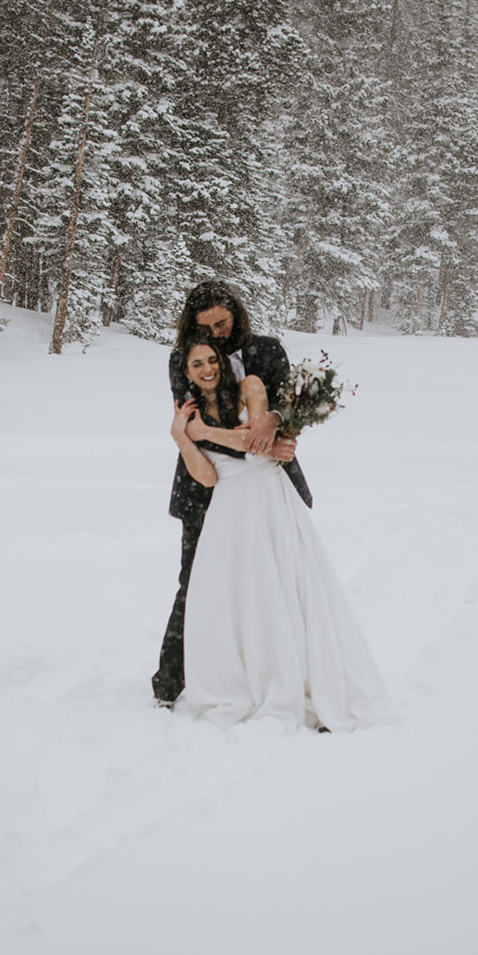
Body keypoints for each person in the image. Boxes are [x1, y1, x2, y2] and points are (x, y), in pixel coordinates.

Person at [169, 332, 384, 732]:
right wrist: (182, 438)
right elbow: (209, 477)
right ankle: (246, 678)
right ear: (186, 372)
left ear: (223, 360)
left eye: (211, 360)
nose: (207, 369)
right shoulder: (190, 415)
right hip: (229, 506)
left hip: (267, 495)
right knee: (238, 594)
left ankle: (300, 678)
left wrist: (205, 433)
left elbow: (259, 446)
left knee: (285, 582)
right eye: (196, 365)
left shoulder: (250, 386)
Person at [152, 281, 310, 705]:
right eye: (206, 327)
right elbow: (193, 429)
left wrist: (275, 425)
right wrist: (254, 445)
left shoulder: (268, 349)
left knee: (278, 580)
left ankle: (281, 672)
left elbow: (293, 403)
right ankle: (171, 683)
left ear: (236, 314)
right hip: (204, 484)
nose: (216, 334)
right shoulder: (183, 360)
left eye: (222, 323)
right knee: (197, 581)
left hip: (268, 486)